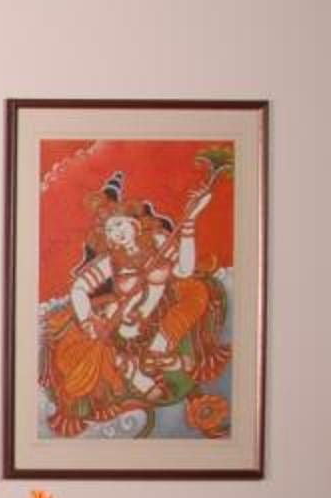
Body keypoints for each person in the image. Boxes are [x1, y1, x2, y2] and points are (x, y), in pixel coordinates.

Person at [42, 163, 229, 436]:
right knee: (102, 345)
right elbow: (80, 288)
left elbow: (184, 270)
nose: (115, 232)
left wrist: (189, 223)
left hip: (163, 316)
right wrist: (88, 321)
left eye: (118, 224)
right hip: (128, 320)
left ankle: (160, 357)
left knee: (198, 290)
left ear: (134, 222)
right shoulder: (110, 261)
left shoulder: (158, 241)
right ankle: (136, 373)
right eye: (109, 230)